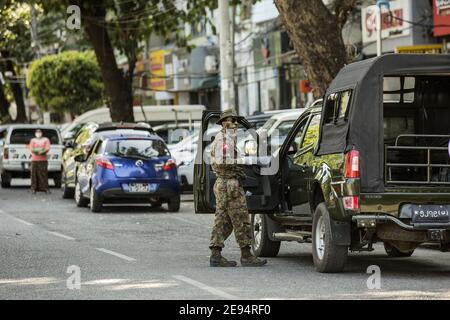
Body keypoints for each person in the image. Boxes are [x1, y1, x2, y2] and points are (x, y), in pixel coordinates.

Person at [209, 109, 267, 267]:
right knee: (241, 218)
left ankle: (215, 253)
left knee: (223, 220)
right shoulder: (224, 140)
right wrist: (244, 161)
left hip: (225, 183)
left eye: (235, 121)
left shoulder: (226, 138)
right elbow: (222, 161)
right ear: (223, 123)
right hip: (229, 184)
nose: (234, 124)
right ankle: (246, 255)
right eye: (230, 120)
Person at [29, 129, 51, 194]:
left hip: (43, 160)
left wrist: (42, 152)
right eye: (37, 132)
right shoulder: (33, 140)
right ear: (35, 133)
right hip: (34, 160)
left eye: (39, 132)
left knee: (43, 174)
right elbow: (31, 148)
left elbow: (47, 148)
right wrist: (36, 151)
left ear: (42, 133)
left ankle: (45, 188)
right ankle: (33, 188)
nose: (38, 133)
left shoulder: (46, 140)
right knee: (34, 174)